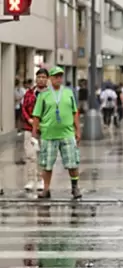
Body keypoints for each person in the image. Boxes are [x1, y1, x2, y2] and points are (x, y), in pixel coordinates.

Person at [31, 66, 82, 199]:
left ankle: (75, 187)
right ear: (50, 79)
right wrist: (34, 133)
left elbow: (75, 112)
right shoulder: (43, 95)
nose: (58, 79)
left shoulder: (68, 93)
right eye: (56, 76)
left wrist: (78, 130)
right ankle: (46, 189)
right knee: (47, 165)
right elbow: (36, 115)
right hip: (48, 134)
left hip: (67, 133)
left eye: (60, 76)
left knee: (72, 163)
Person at [21, 68, 49, 191]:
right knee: (30, 155)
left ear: (47, 79)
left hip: (44, 129)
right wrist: (30, 120)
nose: (41, 79)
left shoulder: (50, 94)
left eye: (44, 77)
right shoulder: (29, 93)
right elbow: (23, 108)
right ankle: (30, 179)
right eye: (39, 77)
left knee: (43, 155)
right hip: (29, 128)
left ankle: (41, 179)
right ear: (36, 78)